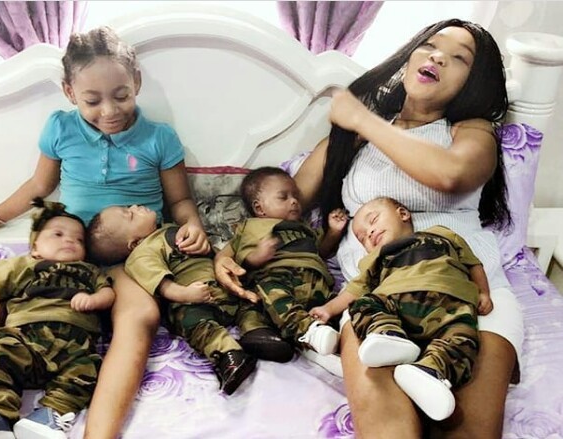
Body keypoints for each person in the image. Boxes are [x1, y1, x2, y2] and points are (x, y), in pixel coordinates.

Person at [216, 19, 522, 438]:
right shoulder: (354, 140)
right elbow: (283, 209)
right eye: (430, 46)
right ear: (411, 55)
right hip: (377, 303)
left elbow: (452, 175)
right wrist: (226, 253)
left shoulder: (471, 131)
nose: (437, 57)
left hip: (470, 296)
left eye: (458, 58)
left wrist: (364, 119)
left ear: (473, 81)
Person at [0, 27, 210, 439]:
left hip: (128, 257)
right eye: (92, 101)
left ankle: (99, 433)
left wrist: (193, 225)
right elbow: (38, 187)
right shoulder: (61, 129)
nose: (109, 111)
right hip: (66, 247)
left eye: (121, 95)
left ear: (137, 83)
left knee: (142, 315)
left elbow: (180, 200)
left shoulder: (159, 138)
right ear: (69, 92)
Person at [310, 197, 494, 421]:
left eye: (373, 220)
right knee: (362, 305)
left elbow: (473, 264)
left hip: (450, 306)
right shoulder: (375, 258)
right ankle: (388, 335)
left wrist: (483, 292)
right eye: (362, 238)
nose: (369, 233)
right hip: (395, 305)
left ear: (403, 214)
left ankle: (429, 371)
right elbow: (354, 290)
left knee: (464, 339)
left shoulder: (442, 234)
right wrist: (328, 309)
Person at [86, 204, 294, 395]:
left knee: (249, 302)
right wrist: (186, 294)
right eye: (130, 214)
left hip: (223, 284)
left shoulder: (171, 228)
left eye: (129, 207)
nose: (135, 206)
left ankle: (257, 333)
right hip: (195, 298)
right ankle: (228, 354)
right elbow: (163, 285)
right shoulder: (141, 255)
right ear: (135, 243)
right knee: (193, 322)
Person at [0, 199, 115, 439]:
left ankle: (48, 417)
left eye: (78, 240)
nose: (69, 241)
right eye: (58, 234)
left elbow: (108, 293)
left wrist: (95, 300)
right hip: (24, 336)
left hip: (74, 344)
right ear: (35, 247)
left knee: (85, 373)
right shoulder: (25, 264)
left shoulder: (89, 271)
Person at [219, 166, 348, 355]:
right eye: (283, 197)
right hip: (278, 276)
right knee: (267, 296)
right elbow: (242, 261)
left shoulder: (303, 227)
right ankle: (302, 331)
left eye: (295, 196)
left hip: (316, 281)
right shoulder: (251, 227)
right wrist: (258, 256)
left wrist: (334, 232)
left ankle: (342, 334)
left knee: (342, 306)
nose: (294, 201)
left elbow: (320, 251)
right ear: (259, 208)